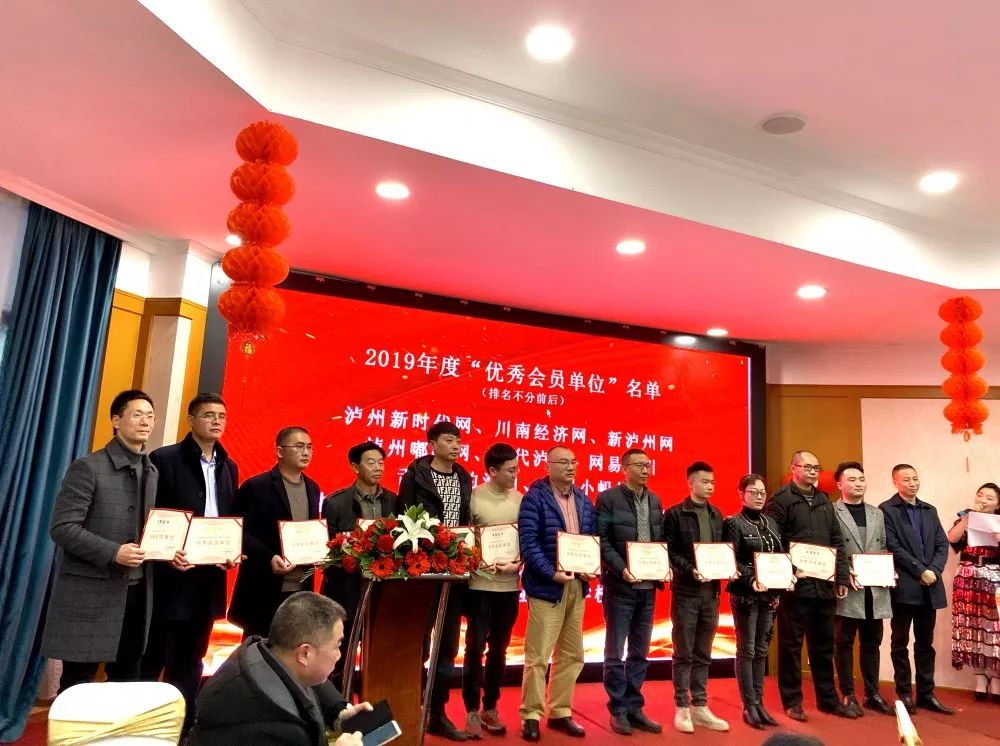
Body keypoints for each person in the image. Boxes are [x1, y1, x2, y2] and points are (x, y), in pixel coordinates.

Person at [42, 390, 158, 691]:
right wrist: (113, 552)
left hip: (137, 595)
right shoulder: (88, 467)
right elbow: (62, 527)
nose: (145, 421)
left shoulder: (152, 471)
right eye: (136, 414)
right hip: (90, 593)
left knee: (126, 684)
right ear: (116, 421)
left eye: (150, 416)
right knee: (77, 686)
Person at [140, 393, 240, 731]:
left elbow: (227, 517)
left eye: (221, 415)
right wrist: (168, 551)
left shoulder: (229, 465)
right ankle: (146, 725)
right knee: (155, 654)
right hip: (171, 575)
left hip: (209, 576)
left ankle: (182, 726)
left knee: (193, 655)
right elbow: (152, 516)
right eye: (209, 414)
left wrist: (231, 551)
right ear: (191, 419)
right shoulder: (165, 459)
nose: (216, 421)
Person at [189, 592, 371, 746]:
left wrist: (338, 711)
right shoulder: (280, 728)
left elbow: (310, 678)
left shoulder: (261, 649)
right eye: (337, 646)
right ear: (305, 653)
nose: (339, 655)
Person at [398, 421, 473, 741]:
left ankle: (437, 711)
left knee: (448, 643)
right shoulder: (415, 476)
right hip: (423, 569)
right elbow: (405, 520)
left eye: (458, 441)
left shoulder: (464, 476)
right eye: (449, 440)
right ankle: (410, 706)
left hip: (454, 570)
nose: (456, 446)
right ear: (433, 444)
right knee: (418, 642)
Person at [764, 450, 853, 721]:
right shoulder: (781, 500)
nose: (813, 472)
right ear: (794, 468)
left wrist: (840, 577)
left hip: (824, 586)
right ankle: (792, 701)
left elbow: (836, 540)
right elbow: (773, 541)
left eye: (816, 467)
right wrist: (788, 572)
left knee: (824, 646)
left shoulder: (825, 500)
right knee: (791, 646)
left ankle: (828, 700)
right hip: (795, 586)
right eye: (807, 467)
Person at [518, 446, 597, 742]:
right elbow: (529, 543)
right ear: (547, 465)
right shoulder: (535, 497)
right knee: (538, 656)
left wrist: (591, 568)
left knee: (572, 654)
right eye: (563, 462)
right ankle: (531, 715)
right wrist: (551, 572)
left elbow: (590, 541)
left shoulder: (584, 499)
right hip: (547, 586)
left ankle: (560, 711)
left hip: (576, 585)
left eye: (573, 462)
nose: (570, 467)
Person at [229, 427, 322, 639]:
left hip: (300, 586)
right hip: (264, 585)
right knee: (257, 647)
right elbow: (239, 531)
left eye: (309, 447)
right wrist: (269, 557)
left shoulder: (313, 487)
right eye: (299, 447)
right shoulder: (256, 486)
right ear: (280, 451)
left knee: (292, 645)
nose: (306, 452)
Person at [596, 448, 664, 735]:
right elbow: (602, 540)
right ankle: (618, 708)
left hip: (648, 587)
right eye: (639, 465)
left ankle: (635, 706)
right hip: (620, 585)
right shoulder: (609, 498)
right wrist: (621, 568)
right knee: (615, 652)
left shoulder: (655, 499)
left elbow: (659, 541)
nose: (646, 470)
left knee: (640, 651)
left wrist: (664, 566)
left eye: (648, 465)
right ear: (624, 468)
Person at [662, 461, 731, 733]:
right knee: (683, 653)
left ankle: (700, 706)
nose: (710, 486)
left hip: (711, 594)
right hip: (686, 593)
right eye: (705, 482)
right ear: (690, 483)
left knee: (704, 652)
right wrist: (690, 569)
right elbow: (668, 551)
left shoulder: (717, 515)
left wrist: (728, 568)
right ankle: (681, 707)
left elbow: (723, 551)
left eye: (712, 482)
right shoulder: (675, 513)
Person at [879, 463, 954, 715]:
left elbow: (942, 544)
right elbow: (892, 545)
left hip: (930, 586)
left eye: (915, 478)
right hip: (905, 586)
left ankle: (926, 694)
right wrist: (919, 570)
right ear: (895, 482)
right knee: (899, 642)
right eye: (906, 479)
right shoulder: (887, 510)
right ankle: (903, 693)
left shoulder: (929, 510)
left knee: (925, 644)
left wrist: (933, 570)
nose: (912, 483)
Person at [322, 441, 397, 685]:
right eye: (371, 462)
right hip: (347, 591)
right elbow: (329, 549)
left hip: (383, 591)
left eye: (381, 463)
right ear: (355, 467)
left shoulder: (394, 501)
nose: (378, 468)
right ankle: (337, 700)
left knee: (379, 654)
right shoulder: (336, 502)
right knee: (340, 654)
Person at [462, 443, 522, 738]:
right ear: (492, 471)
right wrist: (474, 557)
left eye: (516, 468)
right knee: (474, 649)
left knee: (500, 649)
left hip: (509, 586)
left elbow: (527, 540)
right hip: (479, 585)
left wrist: (518, 563)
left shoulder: (520, 500)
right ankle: (471, 710)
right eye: (510, 470)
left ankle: (491, 707)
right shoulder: (473, 498)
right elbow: (463, 537)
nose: (515, 474)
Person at [830, 461, 894, 717]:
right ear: (840, 484)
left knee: (872, 642)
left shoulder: (877, 513)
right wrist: (843, 572)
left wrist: (888, 569)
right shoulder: (831, 511)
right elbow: (829, 548)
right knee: (843, 642)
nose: (858, 484)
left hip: (875, 588)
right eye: (852, 479)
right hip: (848, 586)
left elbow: (883, 546)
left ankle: (872, 693)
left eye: (861, 479)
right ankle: (848, 693)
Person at [723, 473, 783, 730]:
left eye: (762, 492)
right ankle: (749, 705)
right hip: (745, 595)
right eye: (753, 492)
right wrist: (752, 578)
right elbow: (731, 561)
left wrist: (789, 574)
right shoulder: (734, 523)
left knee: (761, 651)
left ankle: (759, 702)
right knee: (746, 650)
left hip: (769, 594)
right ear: (741, 494)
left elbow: (780, 557)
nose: (759, 497)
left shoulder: (772, 522)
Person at [946, 482, 1000, 701]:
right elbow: (952, 539)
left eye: (989, 498)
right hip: (967, 576)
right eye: (980, 495)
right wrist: (966, 520)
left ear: (998, 504)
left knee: (993, 628)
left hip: (994, 577)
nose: (983, 500)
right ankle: (979, 675)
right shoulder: (966, 517)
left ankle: (995, 676)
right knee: (971, 625)